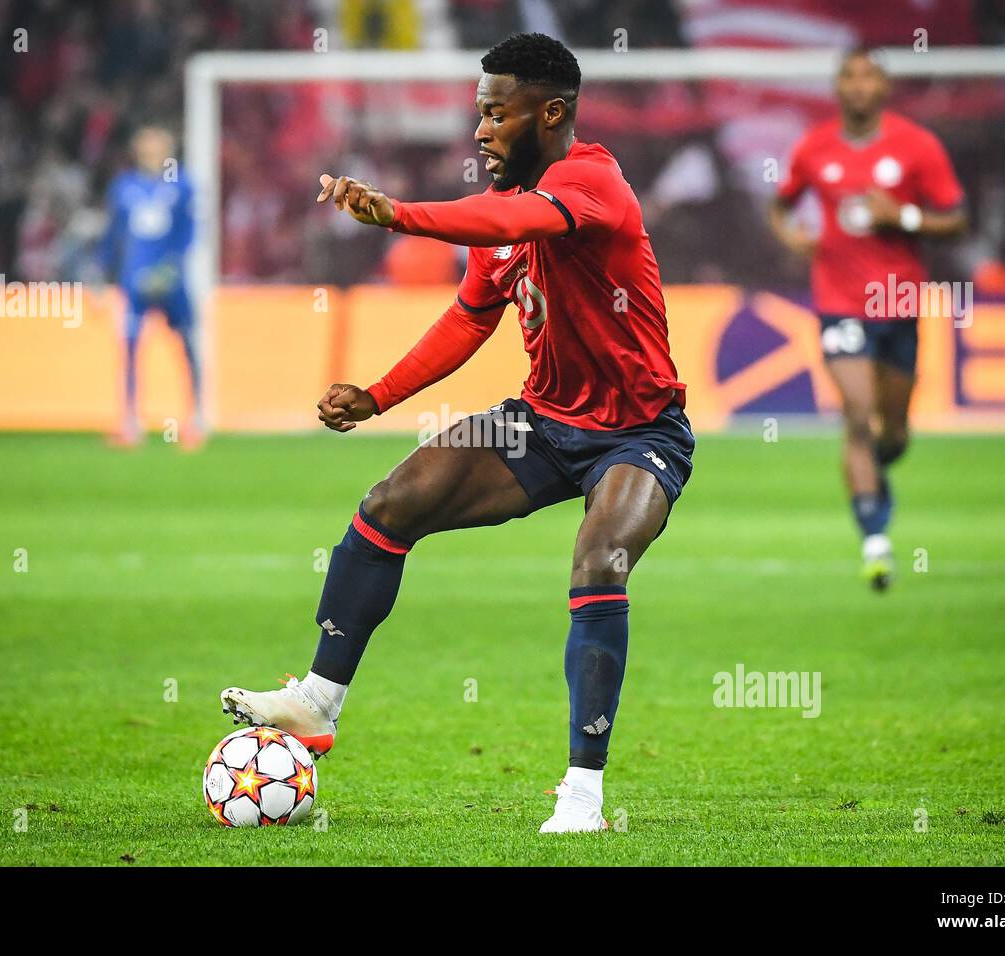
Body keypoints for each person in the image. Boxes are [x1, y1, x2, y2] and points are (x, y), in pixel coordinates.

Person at [220, 33, 693, 833]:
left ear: (550, 113)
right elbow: (469, 320)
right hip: (543, 424)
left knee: (598, 557)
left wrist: (398, 215)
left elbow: (504, 219)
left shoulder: (593, 184)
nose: (479, 130)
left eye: (494, 113)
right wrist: (377, 395)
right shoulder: (505, 220)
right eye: (478, 113)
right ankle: (317, 701)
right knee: (390, 503)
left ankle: (582, 795)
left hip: (638, 433)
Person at [768, 48, 966, 590]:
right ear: (837, 89)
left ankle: (874, 474)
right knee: (857, 416)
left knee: (893, 435)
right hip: (838, 301)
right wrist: (794, 238)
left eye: (868, 76)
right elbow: (781, 204)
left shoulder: (917, 146)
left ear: (884, 88)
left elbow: (957, 219)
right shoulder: (814, 148)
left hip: (897, 304)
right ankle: (876, 541)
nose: (857, 86)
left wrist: (899, 215)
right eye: (848, 77)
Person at [101, 125, 202, 448]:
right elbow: (113, 236)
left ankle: (195, 418)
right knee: (129, 346)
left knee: (187, 345)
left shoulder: (183, 186)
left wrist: (170, 268)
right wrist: (106, 278)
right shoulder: (124, 187)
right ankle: (131, 422)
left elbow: (190, 233)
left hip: (172, 283)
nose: (152, 152)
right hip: (134, 282)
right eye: (147, 146)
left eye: (158, 146)